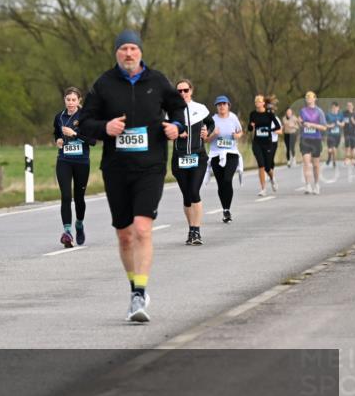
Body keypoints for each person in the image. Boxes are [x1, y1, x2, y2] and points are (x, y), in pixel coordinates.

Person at [77, 30, 185, 322]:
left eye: (133, 49)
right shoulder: (104, 84)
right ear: (116, 53)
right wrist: (105, 128)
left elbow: (178, 108)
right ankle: (134, 287)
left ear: (140, 52)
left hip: (151, 166)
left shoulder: (157, 81)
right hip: (116, 168)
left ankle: (140, 293)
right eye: (123, 49)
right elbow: (84, 121)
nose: (128, 54)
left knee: (141, 229)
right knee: (125, 236)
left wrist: (175, 126)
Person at [171, 78, 214, 245]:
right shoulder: (171, 111)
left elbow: (210, 123)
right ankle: (191, 230)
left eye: (185, 90)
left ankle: (196, 231)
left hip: (198, 156)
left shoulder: (200, 108)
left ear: (191, 91)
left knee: (194, 191)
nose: (182, 94)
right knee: (186, 195)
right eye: (179, 91)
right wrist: (175, 131)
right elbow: (162, 128)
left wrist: (207, 132)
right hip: (179, 158)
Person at [53, 87, 93, 248]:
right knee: (65, 195)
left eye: (73, 100)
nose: (70, 103)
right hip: (64, 160)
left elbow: (92, 141)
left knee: (79, 198)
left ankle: (79, 224)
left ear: (79, 101)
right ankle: (67, 232)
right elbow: (56, 133)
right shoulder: (59, 117)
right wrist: (58, 140)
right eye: (68, 99)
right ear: (64, 100)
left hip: (81, 161)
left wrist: (74, 134)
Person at [206, 95, 244, 223]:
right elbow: (206, 139)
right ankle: (225, 210)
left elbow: (240, 132)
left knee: (228, 179)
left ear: (228, 105)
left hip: (231, 153)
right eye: (219, 104)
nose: (222, 106)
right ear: (216, 107)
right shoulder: (212, 120)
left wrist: (237, 135)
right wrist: (213, 135)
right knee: (221, 183)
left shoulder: (233, 118)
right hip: (216, 155)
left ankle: (227, 209)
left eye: (224, 104)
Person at [248, 94, 281, 196]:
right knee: (261, 165)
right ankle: (263, 189)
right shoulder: (253, 114)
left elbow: (278, 126)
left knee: (267, 167)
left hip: (267, 143)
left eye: (259, 101)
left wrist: (269, 130)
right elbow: (249, 129)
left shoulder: (269, 114)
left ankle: (272, 178)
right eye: (256, 102)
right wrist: (251, 125)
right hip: (257, 143)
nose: (257, 103)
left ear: (263, 103)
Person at [298, 91, 328, 195]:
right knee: (306, 162)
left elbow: (324, 127)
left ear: (315, 99)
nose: (309, 99)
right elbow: (301, 124)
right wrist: (300, 123)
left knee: (315, 164)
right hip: (305, 139)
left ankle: (316, 184)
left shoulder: (319, 111)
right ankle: (307, 185)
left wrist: (312, 125)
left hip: (316, 139)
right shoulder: (302, 111)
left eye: (310, 97)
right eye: (307, 97)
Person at [325, 102, 344, 168]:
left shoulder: (341, 115)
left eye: (336, 107)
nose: (334, 109)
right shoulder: (328, 115)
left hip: (338, 135)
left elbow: (343, 124)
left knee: (333, 148)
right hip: (330, 134)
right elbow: (324, 124)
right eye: (333, 107)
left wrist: (339, 124)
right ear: (331, 108)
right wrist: (330, 126)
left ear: (338, 108)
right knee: (332, 148)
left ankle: (330, 158)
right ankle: (334, 161)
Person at [344, 102, 355, 167]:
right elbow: (342, 122)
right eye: (348, 105)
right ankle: (347, 159)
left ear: (352, 106)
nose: (349, 106)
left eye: (350, 105)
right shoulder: (344, 113)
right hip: (346, 132)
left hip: (353, 133)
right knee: (347, 146)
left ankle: (353, 159)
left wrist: (353, 121)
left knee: (353, 147)